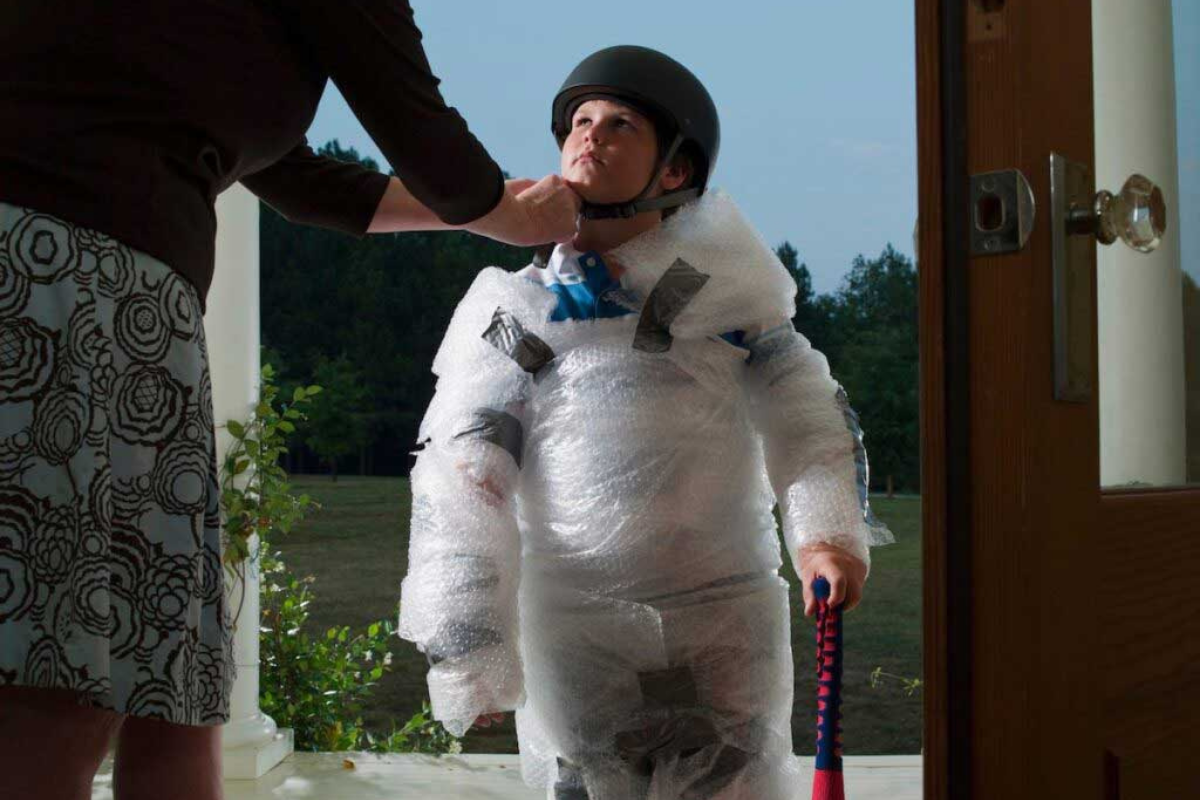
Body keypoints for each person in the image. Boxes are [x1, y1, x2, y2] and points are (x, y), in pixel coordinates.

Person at [0, 2, 580, 799]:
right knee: (60, 679)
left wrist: (486, 214)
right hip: (63, 292)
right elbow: (422, 132)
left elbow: (289, 176)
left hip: (118, 311)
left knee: (172, 681)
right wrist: (502, 210)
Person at [398, 45, 894, 800]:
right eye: (580, 122)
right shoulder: (517, 315)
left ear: (675, 170)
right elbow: (464, 475)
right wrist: (468, 640)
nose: (589, 135)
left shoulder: (723, 295)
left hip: (721, 623)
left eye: (620, 124)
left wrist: (825, 538)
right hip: (578, 634)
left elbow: (806, 415)